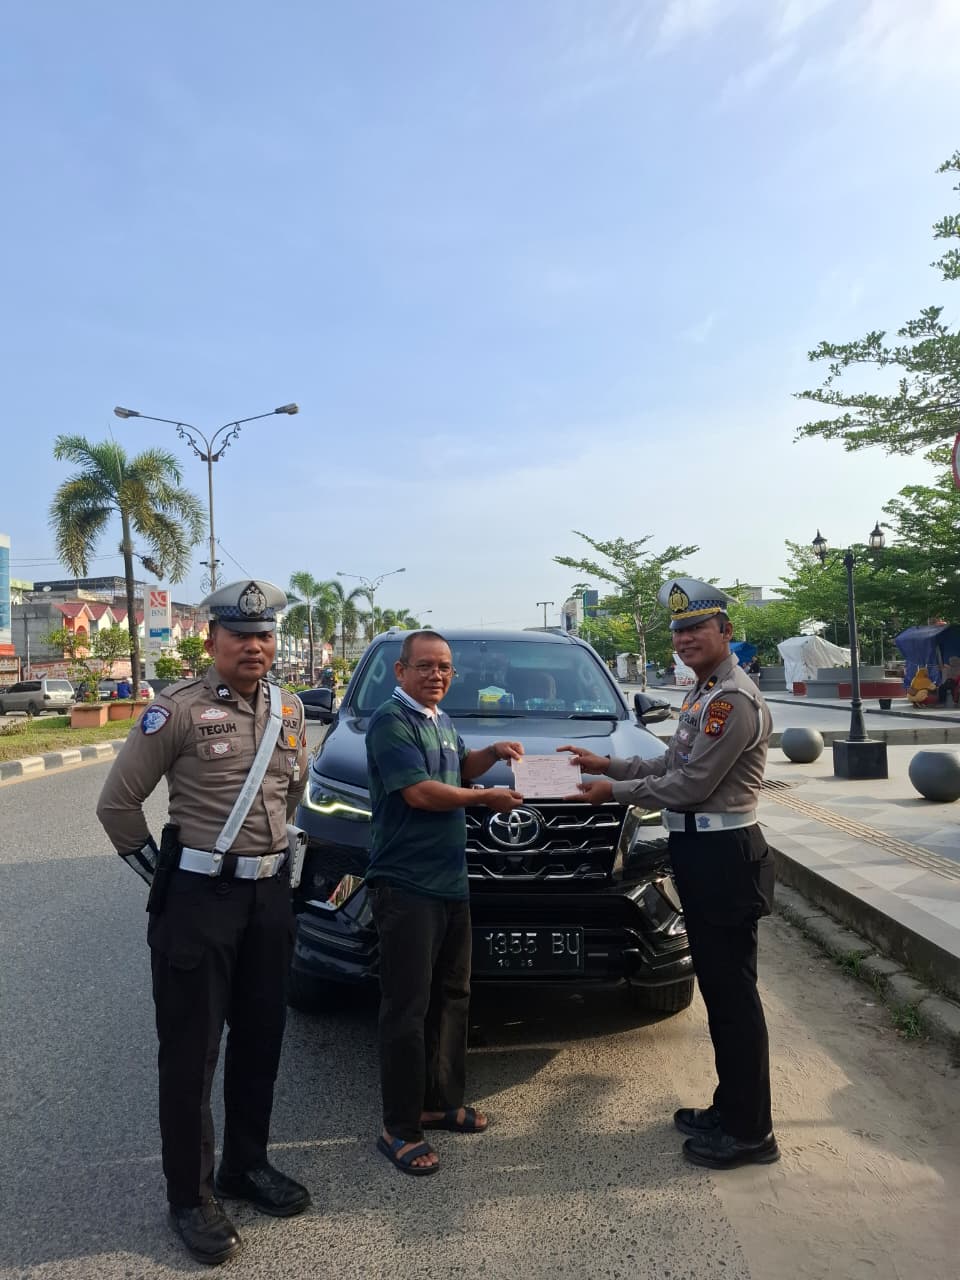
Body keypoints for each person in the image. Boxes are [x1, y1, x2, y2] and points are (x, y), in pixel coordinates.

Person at [96, 579, 310, 1265]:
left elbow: (292, 791)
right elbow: (117, 806)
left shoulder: (289, 708)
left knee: (261, 1040)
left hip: (268, 898)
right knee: (191, 1054)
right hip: (198, 901)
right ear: (213, 640)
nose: (254, 646)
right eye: (240, 635)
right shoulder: (176, 711)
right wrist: (165, 876)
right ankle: (189, 1198)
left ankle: (246, 1165)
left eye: (264, 635)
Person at [558, 577, 778, 1170]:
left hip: (725, 856)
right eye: (678, 631)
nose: (684, 639)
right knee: (720, 992)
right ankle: (731, 1107)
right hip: (703, 855)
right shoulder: (706, 693)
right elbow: (671, 761)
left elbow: (690, 785)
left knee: (733, 996)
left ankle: (752, 1133)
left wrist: (611, 791)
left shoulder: (732, 700)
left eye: (696, 628)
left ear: (726, 631)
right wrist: (609, 764)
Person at [365, 629, 525, 1176]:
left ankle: (439, 1102)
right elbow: (420, 792)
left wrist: (492, 754)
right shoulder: (391, 721)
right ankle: (399, 1126)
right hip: (406, 884)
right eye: (426, 666)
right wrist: (485, 799)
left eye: (445, 668)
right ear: (401, 671)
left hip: (451, 883)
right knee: (406, 1008)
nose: (437, 675)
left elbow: (456, 769)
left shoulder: (440, 719)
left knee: (453, 996)